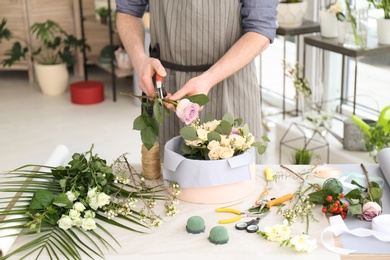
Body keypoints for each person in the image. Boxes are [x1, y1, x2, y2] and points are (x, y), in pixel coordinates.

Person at [116, 0, 278, 159]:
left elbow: (260, 29)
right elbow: (128, 11)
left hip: (230, 84)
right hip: (168, 88)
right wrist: (140, 60)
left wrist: (208, 79)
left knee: (235, 177)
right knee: (171, 178)